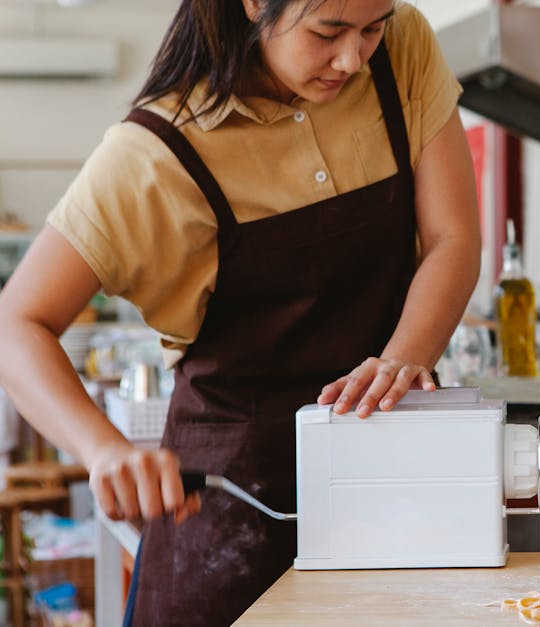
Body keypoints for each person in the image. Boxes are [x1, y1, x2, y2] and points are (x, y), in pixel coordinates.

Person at [0, 1, 480, 624]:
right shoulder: (154, 153)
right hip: (227, 515)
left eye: (371, 28)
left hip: (386, 491)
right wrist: (103, 451)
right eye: (327, 32)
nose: (352, 58)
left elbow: (454, 237)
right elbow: (16, 323)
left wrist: (402, 359)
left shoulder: (402, 48)